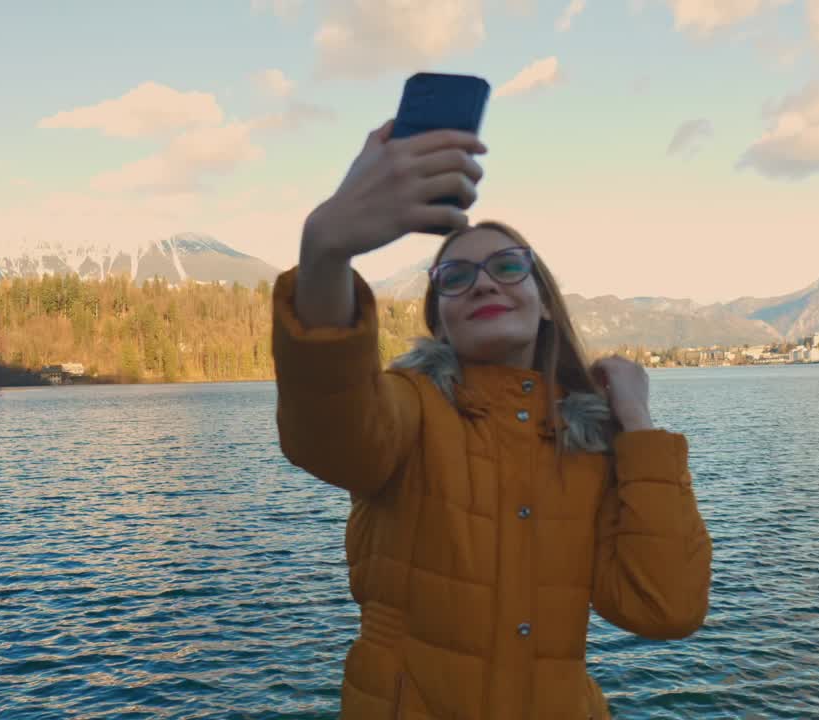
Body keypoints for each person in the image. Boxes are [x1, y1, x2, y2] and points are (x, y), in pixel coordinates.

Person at [272, 119, 712, 719]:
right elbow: (329, 435)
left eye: (507, 267)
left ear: (545, 302)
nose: (482, 284)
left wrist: (636, 421)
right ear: (442, 319)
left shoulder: (586, 443)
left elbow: (664, 607)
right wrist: (325, 250)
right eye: (455, 278)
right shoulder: (409, 406)